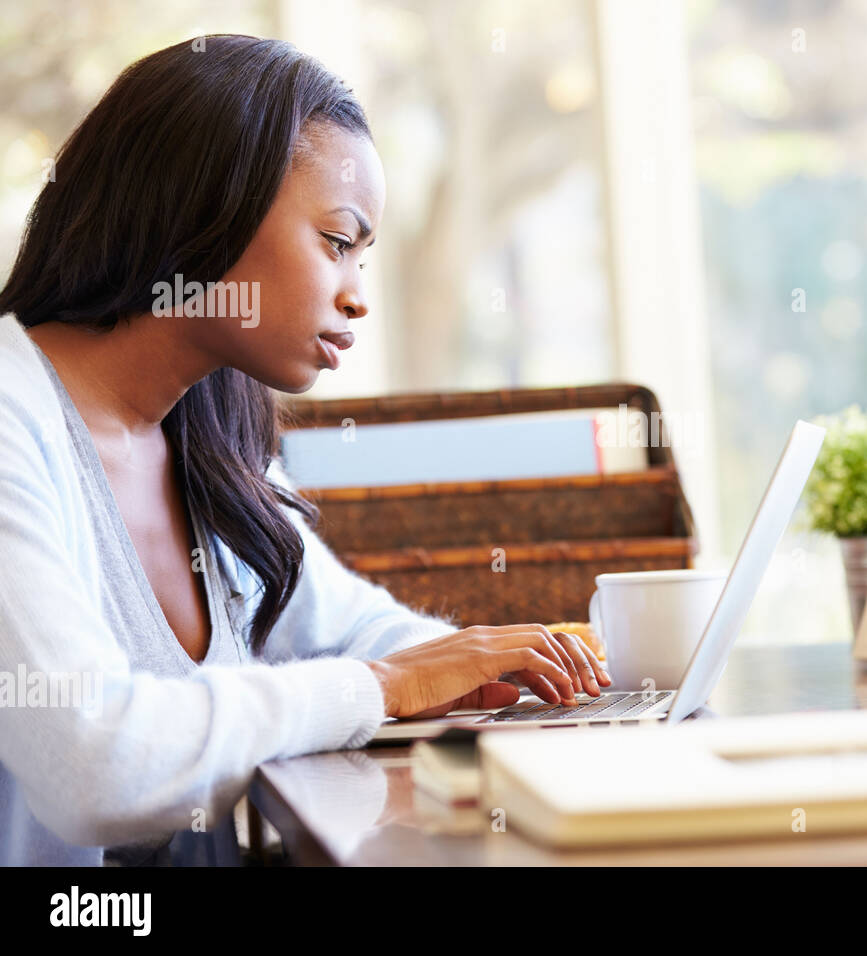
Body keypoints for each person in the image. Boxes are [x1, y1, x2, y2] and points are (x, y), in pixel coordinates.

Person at [0, 34, 609, 867]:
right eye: (336, 242)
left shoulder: (207, 433)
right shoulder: (12, 422)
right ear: (203, 205)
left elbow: (352, 630)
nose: (358, 298)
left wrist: (500, 677)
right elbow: (96, 763)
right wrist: (387, 691)